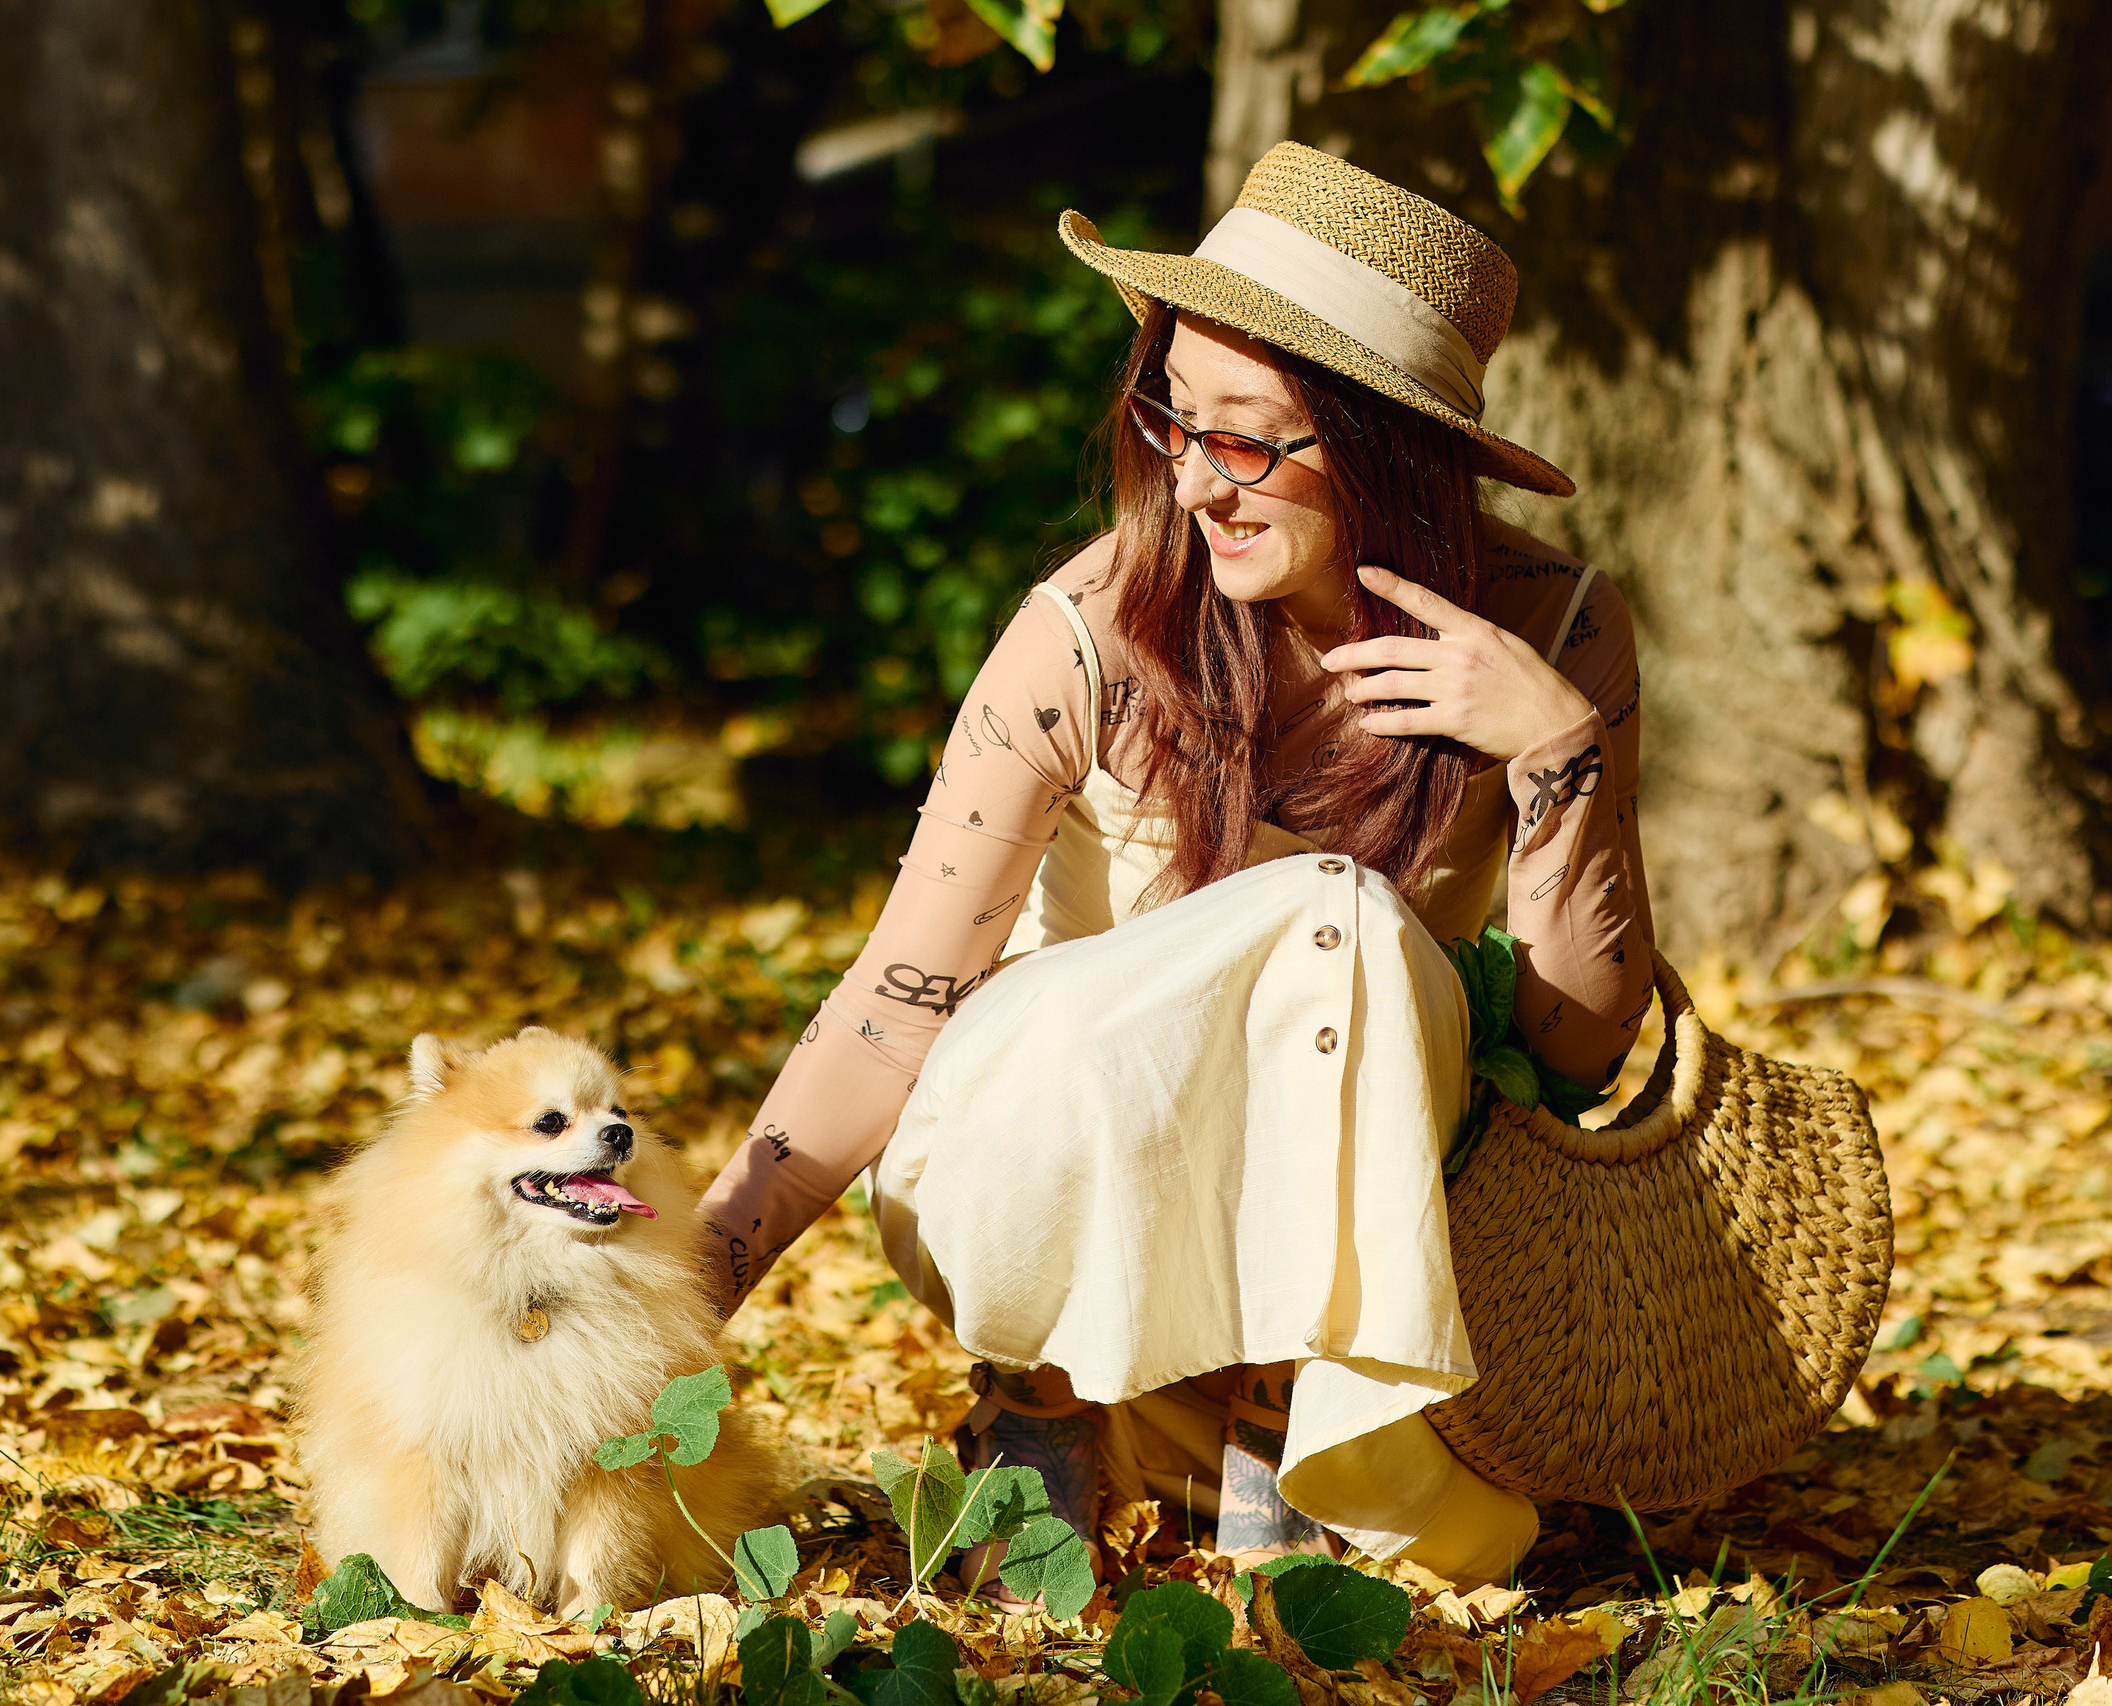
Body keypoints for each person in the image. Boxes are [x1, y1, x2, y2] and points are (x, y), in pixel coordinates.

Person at [697, 142, 1652, 1591]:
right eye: (1176, 422)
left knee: (1351, 931)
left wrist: (1555, 755)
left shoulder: (1552, 633)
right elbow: (896, 1003)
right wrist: (688, 1284)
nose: (1199, 483)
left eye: (1254, 439)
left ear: (1395, 452)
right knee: (1327, 911)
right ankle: (1045, 1402)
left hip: (1344, 1266)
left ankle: (1287, 1418)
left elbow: (1573, 1055)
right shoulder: (1090, 630)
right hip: (1038, 1191)